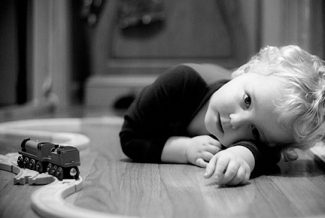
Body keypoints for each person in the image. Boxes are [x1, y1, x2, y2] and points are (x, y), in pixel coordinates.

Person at [119, 45, 325, 186]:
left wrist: (240, 156)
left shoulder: (262, 135)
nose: (236, 121)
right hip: (162, 105)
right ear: (244, 71)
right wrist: (186, 149)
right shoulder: (179, 82)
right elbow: (130, 136)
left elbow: (268, 153)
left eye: (254, 131)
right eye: (247, 101)